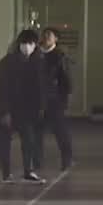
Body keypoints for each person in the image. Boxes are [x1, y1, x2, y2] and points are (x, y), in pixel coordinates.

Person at [0, 29, 50, 184]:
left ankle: (28, 171)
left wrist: (41, 107)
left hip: (27, 109)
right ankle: (6, 173)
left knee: (28, 140)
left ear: (35, 44)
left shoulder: (37, 62)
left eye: (31, 43)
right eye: (24, 43)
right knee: (5, 141)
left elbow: (41, 86)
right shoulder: (7, 63)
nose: (27, 47)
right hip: (9, 108)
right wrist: (4, 111)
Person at [38, 27, 74, 172]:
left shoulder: (59, 56)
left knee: (60, 130)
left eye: (50, 35)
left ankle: (67, 158)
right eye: (45, 34)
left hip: (54, 99)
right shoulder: (37, 54)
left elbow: (66, 81)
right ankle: (37, 160)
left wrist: (63, 99)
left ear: (56, 39)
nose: (46, 37)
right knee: (37, 131)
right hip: (38, 99)